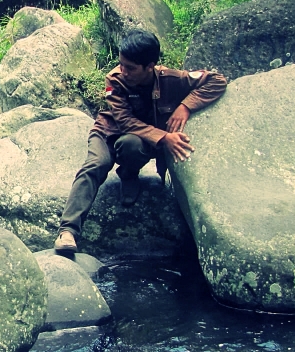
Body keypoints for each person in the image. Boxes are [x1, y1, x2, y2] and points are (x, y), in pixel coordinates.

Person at [53, 29, 226, 255]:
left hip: (138, 141)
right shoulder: (114, 80)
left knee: (131, 145)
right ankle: (68, 231)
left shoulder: (170, 79)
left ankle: (129, 173)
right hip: (108, 131)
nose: (123, 71)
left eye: (130, 67)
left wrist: (186, 106)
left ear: (150, 66)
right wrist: (165, 137)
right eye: (121, 64)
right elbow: (125, 121)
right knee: (96, 165)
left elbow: (217, 80)